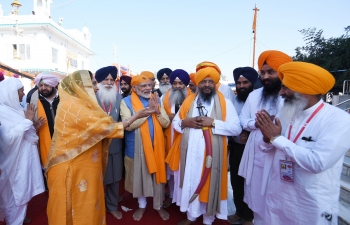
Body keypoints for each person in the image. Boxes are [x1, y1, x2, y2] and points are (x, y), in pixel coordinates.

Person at [46, 70, 154, 225]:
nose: (96, 88)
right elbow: (105, 128)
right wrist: (136, 116)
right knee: (74, 209)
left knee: (88, 202)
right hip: (72, 165)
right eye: (93, 83)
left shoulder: (79, 103)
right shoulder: (74, 106)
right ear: (80, 86)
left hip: (84, 163)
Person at [256, 62, 350, 225]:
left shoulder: (339, 120)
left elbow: (318, 163)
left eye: (286, 88)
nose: (281, 92)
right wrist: (266, 138)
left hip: (311, 204)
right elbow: (265, 148)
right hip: (278, 196)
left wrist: (276, 138)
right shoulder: (287, 112)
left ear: (305, 90)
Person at [167, 62, 242, 225]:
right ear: (197, 84)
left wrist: (213, 122)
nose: (206, 84)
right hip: (190, 154)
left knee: (210, 183)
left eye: (210, 81)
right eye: (203, 81)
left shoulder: (225, 104)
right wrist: (186, 123)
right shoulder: (188, 102)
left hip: (213, 156)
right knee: (192, 182)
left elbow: (236, 128)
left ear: (215, 84)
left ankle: (208, 219)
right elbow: (175, 123)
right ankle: (191, 216)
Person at [238, 50, 292, 224]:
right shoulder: (254, 95)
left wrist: (272, 128)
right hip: (255, 149)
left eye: (271, 72)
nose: (266, 76)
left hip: (280, 151)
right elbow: (243, 119)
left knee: (277, 194)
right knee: (255, 194)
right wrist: (258, 124)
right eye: (263, 72)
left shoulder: (291, 97)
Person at [120, 74, 170, 221]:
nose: (148, 88)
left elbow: (166, 123)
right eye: (144, 86)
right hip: (135, 149)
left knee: (157, 180)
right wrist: (147, 111)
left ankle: (158, 206)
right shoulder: (125, 102)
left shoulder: (156, 100)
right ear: (134, 88)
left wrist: (158, 110)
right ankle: (142, 205)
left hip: (157, 149)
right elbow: (128, 126)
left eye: (149, 85)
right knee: (139, 180)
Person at [0, 78, 45, 225]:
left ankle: (16, 219)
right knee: (15, 194)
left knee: (21, 194)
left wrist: (34, 125)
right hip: (14, 163)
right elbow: (7, 139)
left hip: (24, 160)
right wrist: (27, 121)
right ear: (12, 93)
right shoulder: (2, 112)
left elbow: (26, 132)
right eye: (21, 91)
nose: (23, 94)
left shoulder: (17, 109)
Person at [227, 67, 258, 225]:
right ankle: (239, 212)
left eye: (245, 82)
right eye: (238, 83)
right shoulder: (234, 100)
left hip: (253, 148)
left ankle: (248, 217)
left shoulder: (259, 98)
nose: (241, 86)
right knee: (236, 181)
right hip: (236, 147)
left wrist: (248, 132)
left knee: (250, 183)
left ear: (252, 82)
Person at [95, 66, 124, 219]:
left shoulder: (119, 98)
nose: (108, 82)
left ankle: (112, 206)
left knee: (114, 178)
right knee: (96, 179)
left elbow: (124, 119)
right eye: (105, 79)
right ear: (99, 81)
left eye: (111, 80)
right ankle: (97, 207)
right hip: (95, 146)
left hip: (114, 144)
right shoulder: (91, 97)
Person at [161, 69, 192, 208]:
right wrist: (167, 117)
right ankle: (173, 196)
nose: (178, 86)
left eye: (181, 83)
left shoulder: (194, 97)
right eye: (175, 83)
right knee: (172, 170)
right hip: (170, 137)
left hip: (187, 138)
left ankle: (186, 198)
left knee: (185, 168)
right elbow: (159, 116)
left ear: (186, 84)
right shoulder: (164, 97)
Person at [29, 73, 60, 168]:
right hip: (44, 142)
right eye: (41, 85)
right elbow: (28, 121)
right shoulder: (33, 98)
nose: (43, 88)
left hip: (63, 141)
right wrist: (34, 125)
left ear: (54, 84)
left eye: (46, 85)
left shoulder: (63, 98)